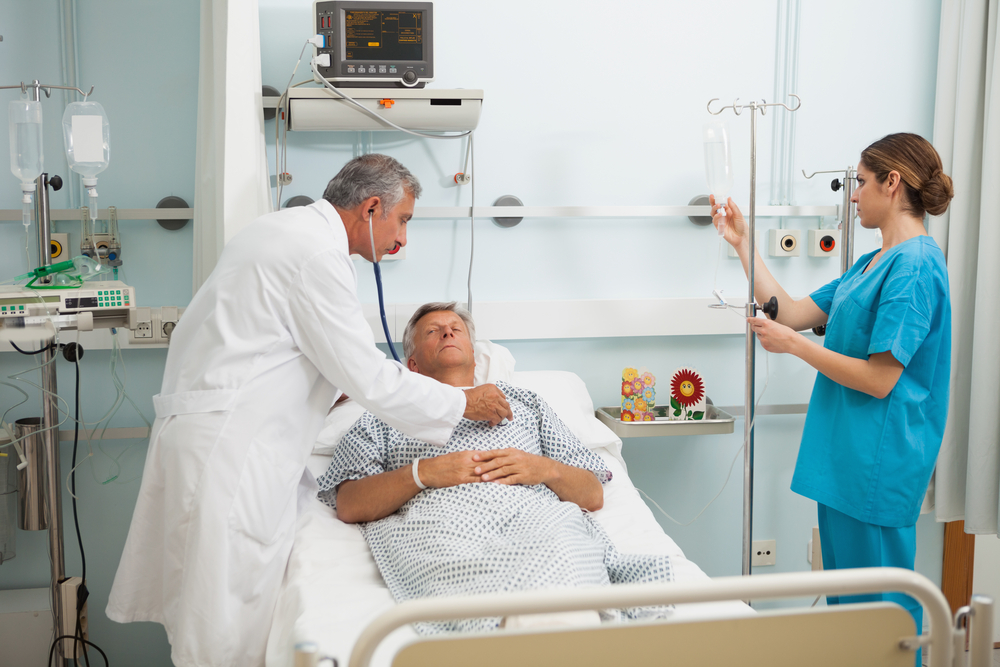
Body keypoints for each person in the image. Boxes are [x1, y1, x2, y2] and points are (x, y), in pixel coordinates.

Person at [106, 156, 512, 667]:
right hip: (233, 452)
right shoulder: (318, 256)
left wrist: (325, 386)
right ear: (370, 208)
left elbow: (277, 348)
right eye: (402, 219)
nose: (402, 239)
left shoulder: (281, 233)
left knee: (215, 615)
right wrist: (462, 401)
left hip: (223, 437)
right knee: (220, 630)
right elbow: (368, 375)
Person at [712, 133, 953, 643]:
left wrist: (794, 347)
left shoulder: (915, 268)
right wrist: (742, 242)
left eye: (861, 183)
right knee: (850, 624)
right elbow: (792, 311)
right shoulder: (869, 264)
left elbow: (881, 379)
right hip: (844, 464)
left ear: (892, 183)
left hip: (877, 467)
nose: (853, 194)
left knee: (882, 627)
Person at [318, 302, 674, 633]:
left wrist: (544, 469)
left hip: (537, 521)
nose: (447, 333)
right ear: (412, 366)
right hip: (442, 526)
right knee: (463, 569)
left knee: (564, 550)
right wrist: (423, 473)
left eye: (456, 329)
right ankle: (532, 634)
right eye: (432, 331)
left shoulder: (525, 403)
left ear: (474, 356)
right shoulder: (384, 417)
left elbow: (592, 494)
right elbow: (350, 503)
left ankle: (548, 631)